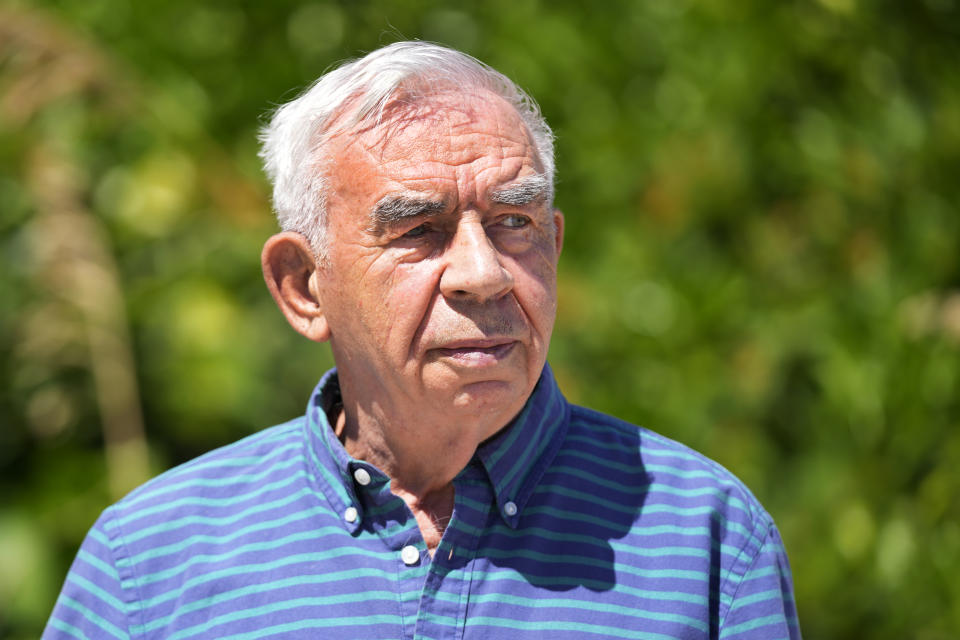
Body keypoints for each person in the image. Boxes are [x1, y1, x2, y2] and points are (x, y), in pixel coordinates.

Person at [43, 41, 801, 639]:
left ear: (555, 245)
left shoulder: (705, 538)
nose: (484, 274)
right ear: (304, 287)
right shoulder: (151, 559)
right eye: (418, 230)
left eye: (514, 222)